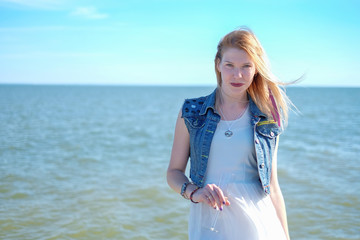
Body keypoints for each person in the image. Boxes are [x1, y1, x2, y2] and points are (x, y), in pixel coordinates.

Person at [167, 27, 292, 240]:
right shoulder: (191, 112)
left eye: (246, 66)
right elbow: (173, 172)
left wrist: (286, 236)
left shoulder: (267, 116)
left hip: (259, 224)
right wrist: (195, 193)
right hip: (208, 223)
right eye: (230, 65)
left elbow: (272, 186)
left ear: (256, 69)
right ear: (218, 65)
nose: (238, 75)